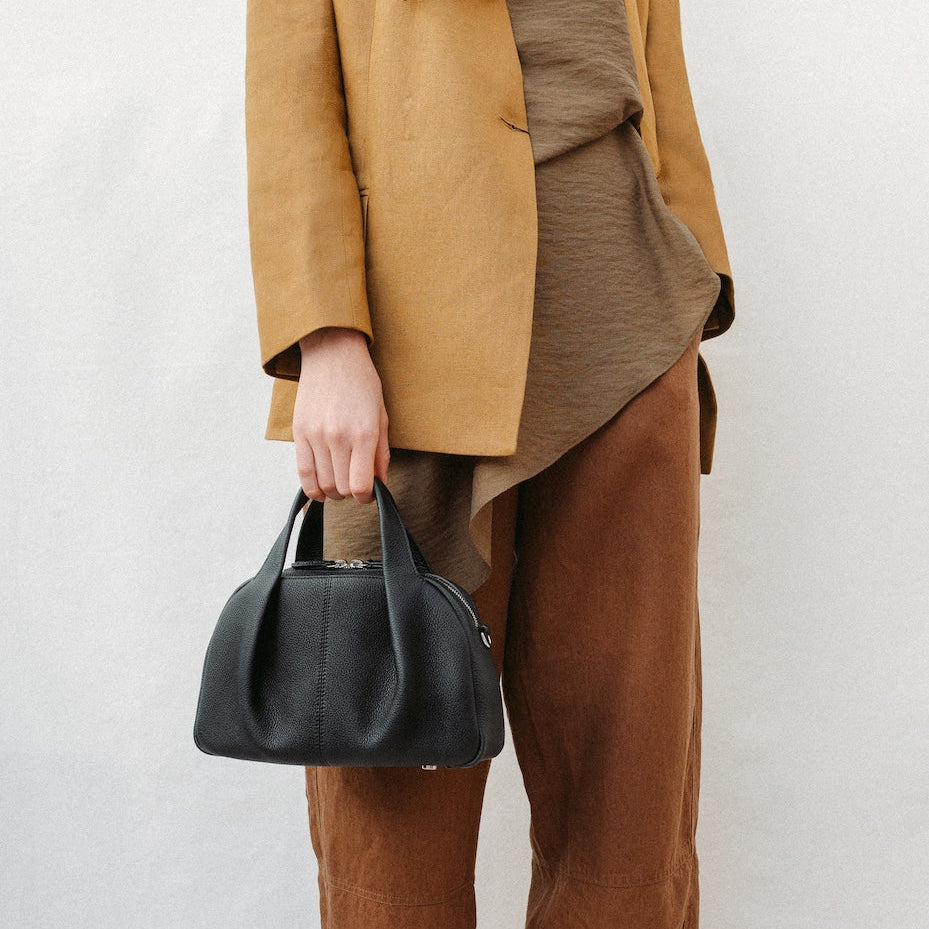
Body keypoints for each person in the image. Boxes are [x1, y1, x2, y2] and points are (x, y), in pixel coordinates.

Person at [244, 0, 735, 926]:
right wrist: (324, 334)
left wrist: (696, 277)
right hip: (410, 345)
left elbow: (656, 59)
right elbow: (289, 90)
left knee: (628, 790)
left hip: (629, 320)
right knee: (388, 795)